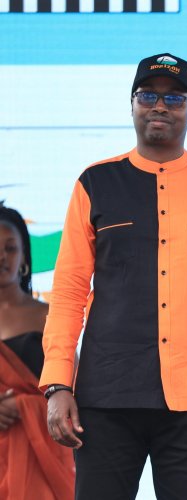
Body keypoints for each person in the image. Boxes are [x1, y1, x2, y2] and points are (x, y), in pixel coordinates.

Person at [39, 53, 187, 500]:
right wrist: (58, 384)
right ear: (132, 104)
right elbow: (67, 291)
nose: (160, 106)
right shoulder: (95, 182)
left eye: (174, 98)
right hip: (105, 397)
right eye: (148, 96)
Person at [0, 204, 75, 500]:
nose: (2, 257)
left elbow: (75, 391)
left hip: (42, 461)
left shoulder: (50, 317)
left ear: (24, 258)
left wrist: (24, 406)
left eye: (10, 248)